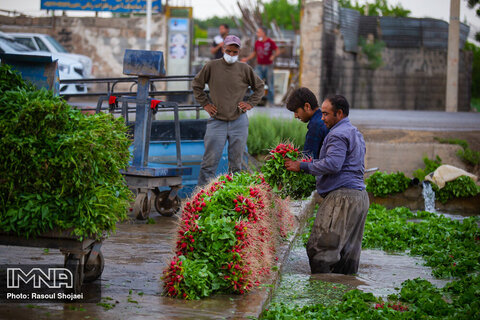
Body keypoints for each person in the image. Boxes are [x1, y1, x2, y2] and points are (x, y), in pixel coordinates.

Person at [284, 94, 369, 275]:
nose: (322, 118)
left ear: (339, 113)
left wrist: (301, 166)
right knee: (348, 255)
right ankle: (345, 294)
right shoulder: (355, 132)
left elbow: (333, 164)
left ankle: (321, 296)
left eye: (325, 114)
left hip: (342, 199)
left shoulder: (337, 134)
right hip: (360, 198)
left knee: (319, 249)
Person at [193, 35, 265, 187]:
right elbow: (197, 85)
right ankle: (200, 199)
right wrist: (205, 104)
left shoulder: (244, 69)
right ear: (223, 49)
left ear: (239, 52)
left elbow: (260, 87)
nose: (231, 55)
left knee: (236, 165)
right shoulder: (211, 66)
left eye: (235, 52)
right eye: (229, 51)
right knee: (209, 164)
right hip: (216, 120)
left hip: (238, 121)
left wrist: (250, 103)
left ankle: (235, 200)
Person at [286, 87, 329, 159]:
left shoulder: (316, 125)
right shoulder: (322, 119)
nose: (295, 116)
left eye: (296, 111)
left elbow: (308, 159)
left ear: (307, 106)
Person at [241, 27, 280, 106]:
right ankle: (253, 102)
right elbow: (254, 53)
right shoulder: (257, 42)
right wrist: (246, 58)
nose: (257, 34)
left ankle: (271, 103)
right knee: (255, 83)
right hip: (259, 66)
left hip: (268, 66)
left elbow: (277, 50)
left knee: (270, 84)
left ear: (263, 33)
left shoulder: (270, 42)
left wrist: (273, 56)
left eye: (259, 32)